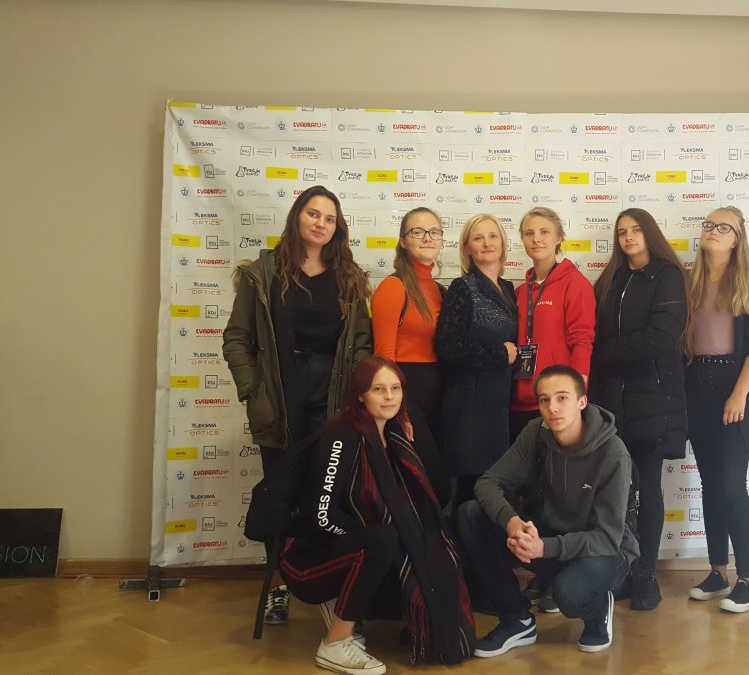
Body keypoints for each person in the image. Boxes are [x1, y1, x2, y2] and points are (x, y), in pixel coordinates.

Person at [223, 185, 372, 626]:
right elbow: (237, 339)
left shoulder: (349, 277)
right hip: (280, 394)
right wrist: (254, 389)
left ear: (337, 227)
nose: (320, 223)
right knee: (280, 495)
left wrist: (353, 393)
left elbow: (362, 343)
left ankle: (323, 585)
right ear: (297, 217)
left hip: (331, 395)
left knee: (324, 494)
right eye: (313, 214)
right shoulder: (263, 272)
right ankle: (277, 588)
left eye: (329, 218)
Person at [280, 357, 475, 674]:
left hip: (347, 548)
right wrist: (362, 541)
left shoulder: (395, 435)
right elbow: (321, 515)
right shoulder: (343, 435)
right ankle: (335, 643)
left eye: (395, 388)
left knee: (424, 540)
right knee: (383, 540)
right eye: (378, 389)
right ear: (360, 395)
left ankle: (405, 621)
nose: (389, 397)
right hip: (308, 558)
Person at [456, 365, 638, 656]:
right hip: (549, 538)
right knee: (471, 514)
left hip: (603, 551)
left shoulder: (613, 453)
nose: (552, 408)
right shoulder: (537, 433)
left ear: (582, 402)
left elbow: (607, 538)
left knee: (570, 594)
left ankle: (597, 610)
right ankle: (516, 618)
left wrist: (544, 548)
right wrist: (512, 522)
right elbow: (488, 482)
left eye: (562, 398)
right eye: (544, 399)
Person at [589, 208, 688, 611]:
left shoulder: (667, 275)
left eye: (636, 230)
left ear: (650, 234)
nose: (628, 237)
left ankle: (646, 574)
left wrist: (605, 354)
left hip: (655, 400)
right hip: (614, 403)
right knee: (617, 492)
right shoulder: (610, 279)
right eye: (622, 232)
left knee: (648, 488)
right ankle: (624, 570)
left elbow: (661, 337)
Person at [683, 206, 749, 614]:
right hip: (697, 386)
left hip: (739, 388)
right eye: (710, 225)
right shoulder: (689, 281)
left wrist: (738, 394)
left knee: (730, 483)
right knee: (709, 483)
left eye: (725, 227)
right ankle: (718, 572)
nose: (714, 231)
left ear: (738, 239)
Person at [510, 206, 597, 613]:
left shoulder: (574, 283)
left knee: (560, 497)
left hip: (556, 407)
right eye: (529, 233)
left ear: (559, 236)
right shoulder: (521, 289)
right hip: (521, 401)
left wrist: (575, 395)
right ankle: (540, 576)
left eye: (544, 232)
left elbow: (582, 340)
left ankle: (560, 577)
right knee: (533, 496)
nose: (537, 239)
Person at [434, 214, 519, 506]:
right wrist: (499, 354)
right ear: (467, 248)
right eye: (478, 238)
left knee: (494, 488)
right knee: (473, 490)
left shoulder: (508, 289)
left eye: (493, 236)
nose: (487, 243)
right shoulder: (463, 287)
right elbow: (448, 347)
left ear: (503, 244)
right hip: (469, 406)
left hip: (500, 403)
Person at [371, 207, 445, 446]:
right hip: (406, 396)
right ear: (403, 241)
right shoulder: (393, 287)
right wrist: (399, 410)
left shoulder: (441, 291)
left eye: (434, 232)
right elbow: (384, 357)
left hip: (438, 397)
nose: (427, 238)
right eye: (417, 232)